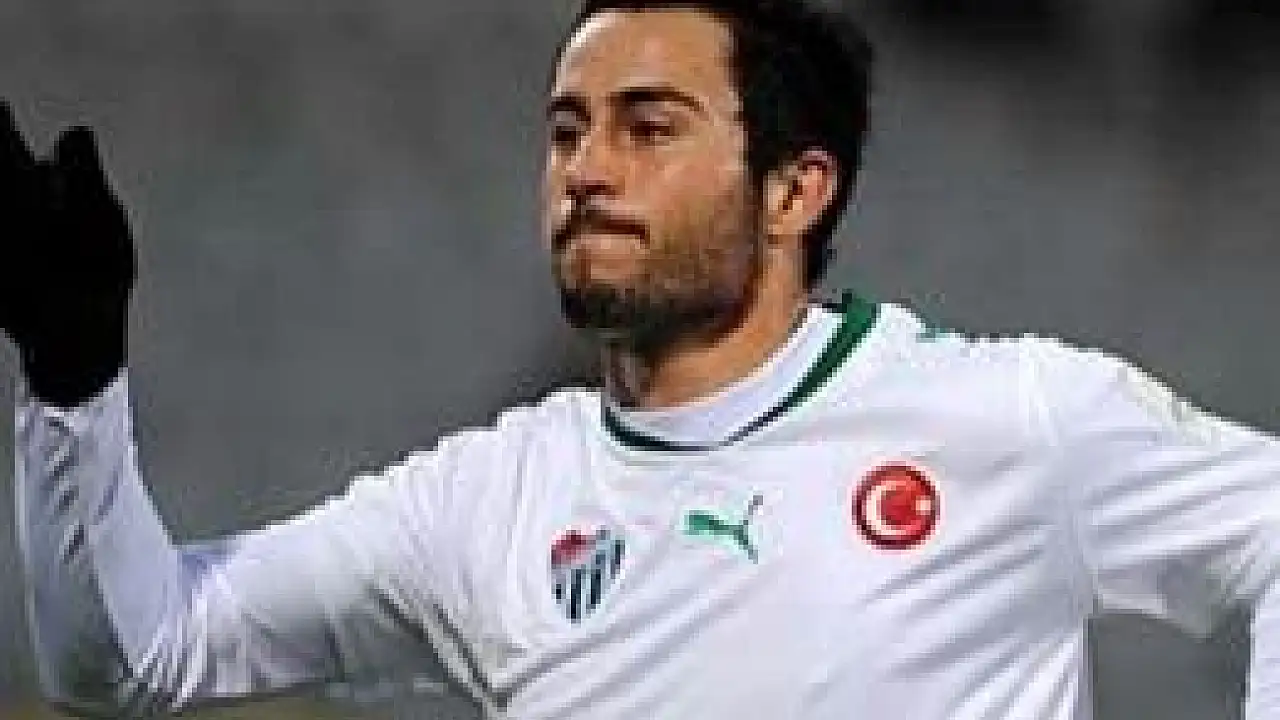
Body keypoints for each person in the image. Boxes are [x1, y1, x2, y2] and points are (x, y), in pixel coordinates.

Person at [5, 1, 1280, 718]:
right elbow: (136, 655)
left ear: (793, 190)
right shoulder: (484, 500)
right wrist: (71, 376)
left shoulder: (1008, 419)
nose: (586, 170)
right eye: (566, 131)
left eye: (646, 127)